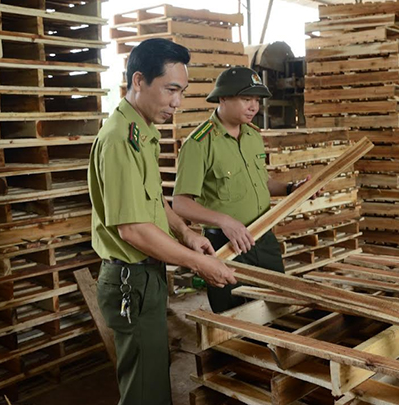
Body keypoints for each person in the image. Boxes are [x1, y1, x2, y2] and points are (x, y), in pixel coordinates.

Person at [88, 38, 236, 405]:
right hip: (130, 279)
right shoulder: (121, 140)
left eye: (181, 92)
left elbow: (152, 200)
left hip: (144, 276)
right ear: (139, 80)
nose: (177, 103)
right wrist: (199, 262)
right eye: (171, 90)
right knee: (144, 390)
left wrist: (185, 233)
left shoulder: (141, 134)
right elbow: (133, 229)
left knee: (154, 373)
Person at [172, 67, 307, 313]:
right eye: (246, 99)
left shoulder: (253, 136)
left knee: (279, 306)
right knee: (233, 316)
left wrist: (290, 188)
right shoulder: (199, 143)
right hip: (225, 244)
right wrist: (224, 221)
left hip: (263, 237)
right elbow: (180, 203)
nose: (254, 107)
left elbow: (262, 182)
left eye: (256, 100)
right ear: (223, 98)